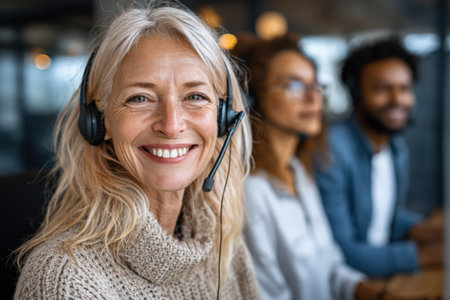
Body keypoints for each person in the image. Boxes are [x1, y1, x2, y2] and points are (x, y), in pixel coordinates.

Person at [14, 4, 260, 299]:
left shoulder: (223, 246)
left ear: (222, 119)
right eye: (139, 98)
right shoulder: (64, 280)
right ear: (98, 121)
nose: (171, 125)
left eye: (195, 96)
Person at [235, 33, 406, 300]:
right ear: (252, 99)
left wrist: (379, 295)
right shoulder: (252, 190)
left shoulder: (299, 171)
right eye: (294, 85)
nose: (312, 97)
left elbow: (332, 267)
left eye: (315, 86)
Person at [315, 37, 444, 277]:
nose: (397, 100)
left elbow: (385, 221)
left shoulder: (395, 147)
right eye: (382, 89)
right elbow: (345, 253)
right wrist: (432, 254)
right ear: (356, 93)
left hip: (386, 275)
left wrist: (436, 234)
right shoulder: (332, 151)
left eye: (404, 89)